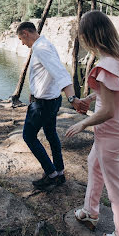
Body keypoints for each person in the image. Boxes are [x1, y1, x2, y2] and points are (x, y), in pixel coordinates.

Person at [65, 11, 119, 236]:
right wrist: (90, 99)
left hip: (110, 131)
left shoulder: (107, 65)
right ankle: (90, 212)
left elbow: (108, 110)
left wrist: (83, 124)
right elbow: (113, 95)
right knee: (94, 165)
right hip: (118, 127)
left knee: (115, 187)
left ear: (90, 36)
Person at [17, 21, 87, 191]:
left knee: (29, 136)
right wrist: (33, 91)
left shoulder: (41, 48)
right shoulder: (45, 45)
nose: (22, 43)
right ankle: (60, 172)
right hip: (51, 101)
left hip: (43, 105)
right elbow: (45, 75)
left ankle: (51, 174)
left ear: (26, 33)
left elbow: (60, 73)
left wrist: (72, 99)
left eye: (21, 39)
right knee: (51, 134)